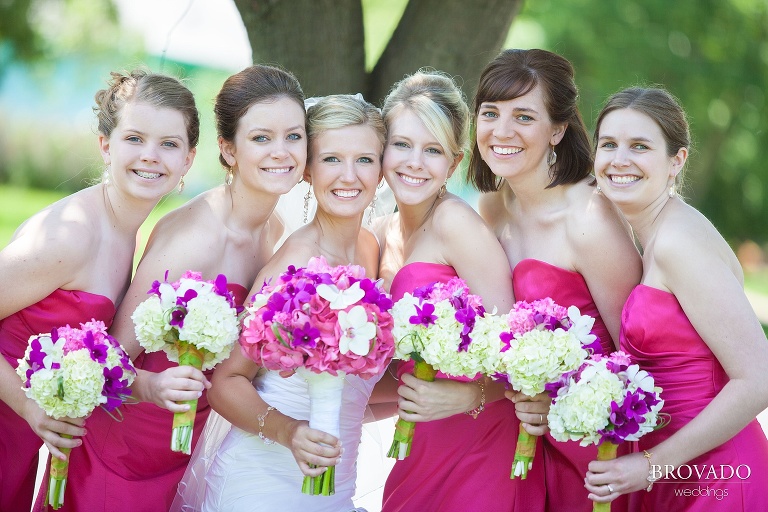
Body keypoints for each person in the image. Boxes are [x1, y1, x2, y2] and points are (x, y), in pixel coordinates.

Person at [43, 64, 307, 512]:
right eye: (261, 138)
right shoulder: (194, 238)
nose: (280, 152)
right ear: (228, 149)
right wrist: (153, 386)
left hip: (186, 450)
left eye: (293, 136)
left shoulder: (275, 230)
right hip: (121, 452)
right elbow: (105, 360)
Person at [0, 69, 198, 512]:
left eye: (169, 144)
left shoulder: (128, 233)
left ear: (188, 160)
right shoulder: (71, 234)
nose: (151, 156)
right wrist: (29, 407)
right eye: (135, 138)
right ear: (106, 145)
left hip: (22, 437)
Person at [467, 49, 642, 512]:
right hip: (517, 439)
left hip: (594, 447)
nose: (501, 131)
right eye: (490, 113)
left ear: (558, 130)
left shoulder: (590, 220)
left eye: (524, 116)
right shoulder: (491, 209)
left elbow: (637, 357)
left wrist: (564, 402)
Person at [198, 94, 385, 512]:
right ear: (308, 169)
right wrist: (289, 432)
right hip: (264, 482)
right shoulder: (294, 264)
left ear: (381, 168)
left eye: (364, 160)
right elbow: (226, 383)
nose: (349, 176)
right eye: (332, 159)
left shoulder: (370, 248)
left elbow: (352, 384)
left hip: (337, 485)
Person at [584, 87, 768, 511]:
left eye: (640, 146)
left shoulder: (678, 243)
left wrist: (651, 465)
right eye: (608, 144)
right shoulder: (658, 233)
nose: (619, 159)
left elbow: (758, 379)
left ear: (677, 160)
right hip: (679, 470)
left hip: (718, 478)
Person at [375, 70, 541, 512]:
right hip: (421, 437)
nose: (415, 162)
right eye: (402, 144)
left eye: (433, 150)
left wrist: (471, 395)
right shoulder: (379, 232)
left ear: (453, 164)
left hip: (479, 440)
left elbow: (517, 352)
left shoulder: (456, 225)